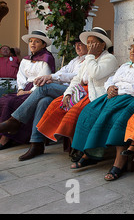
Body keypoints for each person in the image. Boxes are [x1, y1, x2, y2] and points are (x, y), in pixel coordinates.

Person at [70, 32, 134, 181]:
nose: (132, 51)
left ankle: (120, 162)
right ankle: (90, 153)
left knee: (118, 119)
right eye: (131, 48)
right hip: (114, 96)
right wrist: (110, 87)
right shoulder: (125, 66)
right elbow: (111, 79)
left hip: (133, 100)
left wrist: (120, 89)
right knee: (90, 111)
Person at [0, 37, 88, 160]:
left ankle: (15, 121)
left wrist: (52, 77)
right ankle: (37, 144)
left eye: (81, 44)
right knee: (43, 101)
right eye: (76, 45)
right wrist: (52, 77)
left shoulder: (89, 60)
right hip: (63, 90)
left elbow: (77, 77)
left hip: (77, 92)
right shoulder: (74, 61)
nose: (77, 47)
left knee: (44, 87)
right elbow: (62, 72)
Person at [36, 27, 118, 159]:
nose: (90, 45)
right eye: (89, 42)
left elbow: (95, 73)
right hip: (81, 91)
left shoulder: (109, 58)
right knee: (58, 103)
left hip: (97, 94)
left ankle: (78, 147)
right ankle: (63, 141)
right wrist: (68, 93)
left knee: (75, 111)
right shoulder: (88, 60)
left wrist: (90, 56)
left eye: (93, 42)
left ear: (102, 44)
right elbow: (77, 79)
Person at [0, 30, 55, 149]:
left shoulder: (47, 58)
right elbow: (20, 76)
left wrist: (30, 91)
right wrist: (20, 89)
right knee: (4, 100)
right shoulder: (26, 59)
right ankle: (4, 134)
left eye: (36, 41)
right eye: (31, 41)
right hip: (24, 88)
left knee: (13, 102)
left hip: (37, 89)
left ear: (43, 44)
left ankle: (6, 138)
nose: (32, 44)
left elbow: (43, 78)